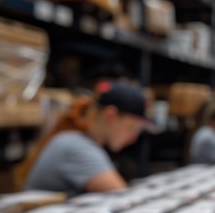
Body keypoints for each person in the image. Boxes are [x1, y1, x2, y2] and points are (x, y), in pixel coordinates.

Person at [20, 81, 152, 197]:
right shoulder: (77, 147)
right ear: (110, 115)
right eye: (132, 127)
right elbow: (123, 198)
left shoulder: (76, 139)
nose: (134, 138)